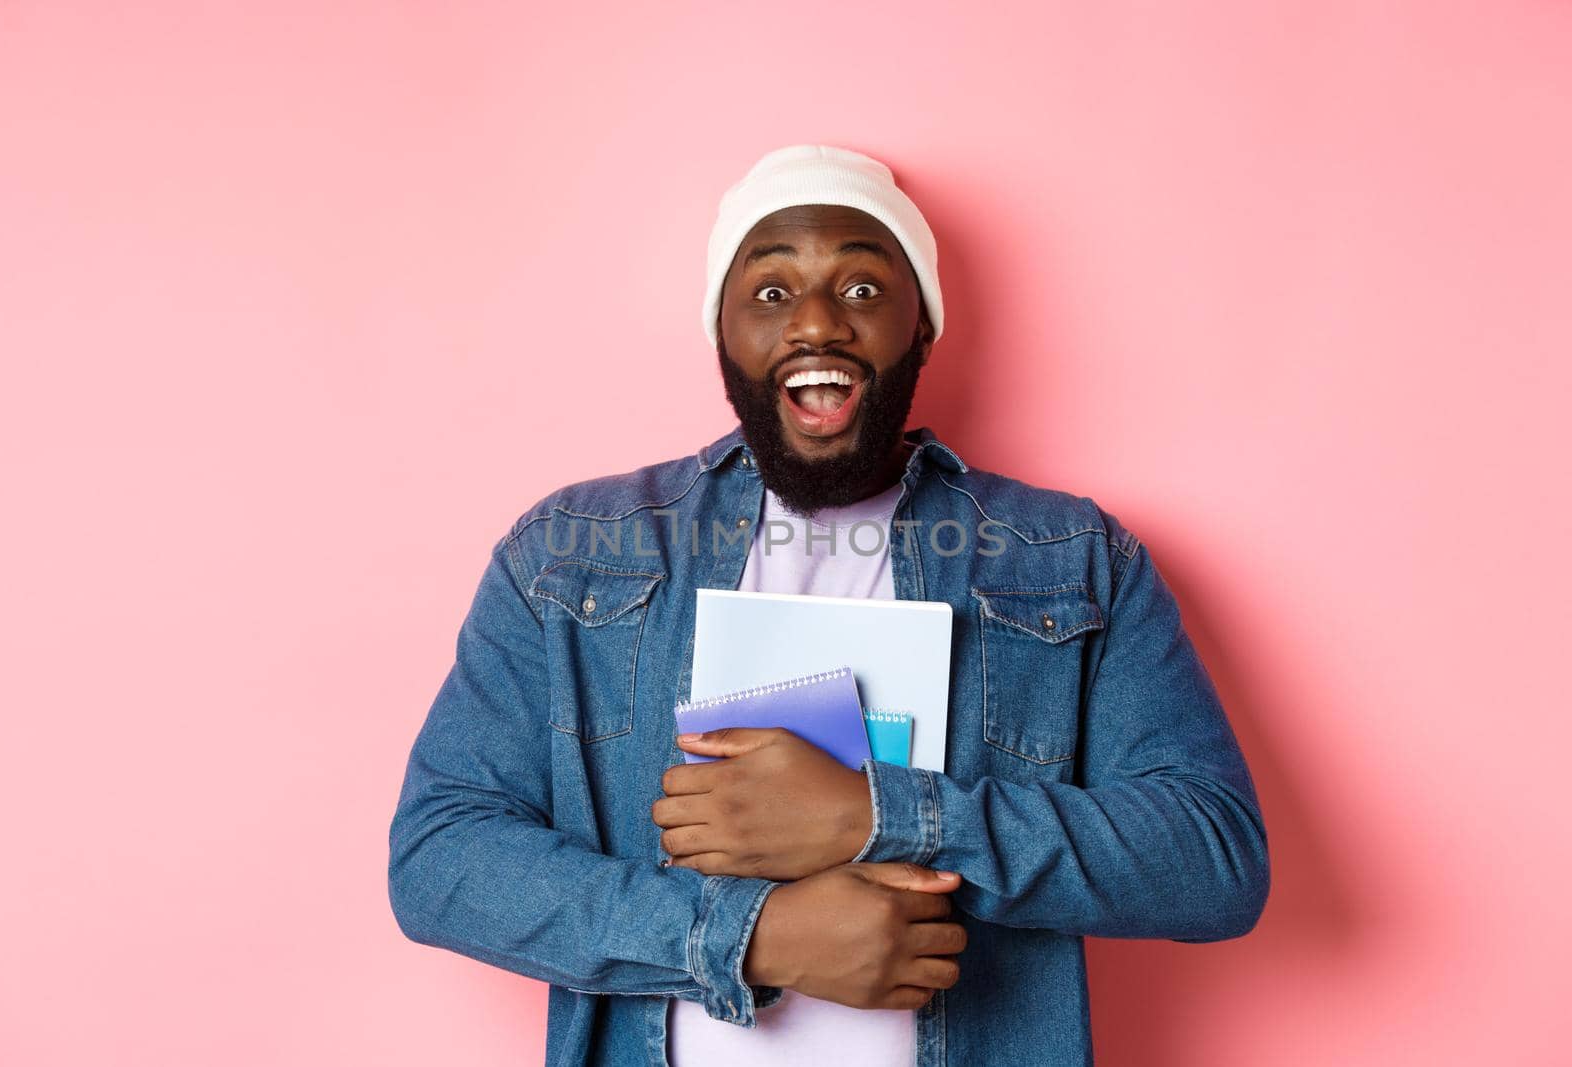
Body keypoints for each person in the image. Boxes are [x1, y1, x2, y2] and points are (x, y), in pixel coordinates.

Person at [387, 144, 1270, 1067]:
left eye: (861, 290)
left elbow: (1213, 860)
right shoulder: (573, 552)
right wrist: (752, 936)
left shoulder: (1071, 557)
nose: (817, 323)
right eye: (771, 293)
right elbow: (442, 858)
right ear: (722, 332)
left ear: (921, 326)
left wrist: (878, 814)